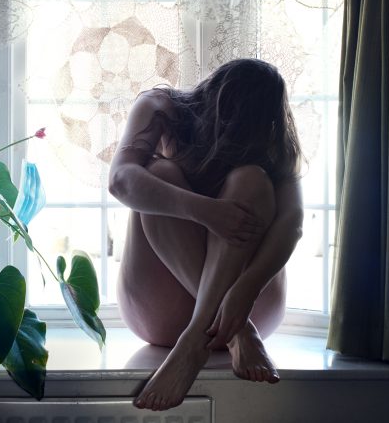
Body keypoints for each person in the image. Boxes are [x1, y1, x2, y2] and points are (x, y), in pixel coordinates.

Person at [108, 58, 304, 411]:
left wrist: (245, 291)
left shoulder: (274, 133)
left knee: (252, 179)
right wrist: (206, 211)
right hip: (170, 311)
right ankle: (232, 333)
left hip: (246, 305)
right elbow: (120, 181)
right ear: (211, 104)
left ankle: (194, 341)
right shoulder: (160, 107)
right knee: (160, 173)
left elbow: (292, 222)